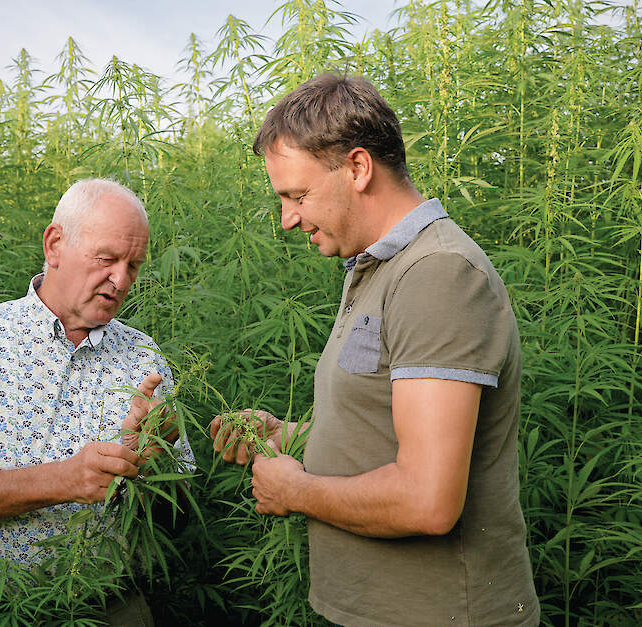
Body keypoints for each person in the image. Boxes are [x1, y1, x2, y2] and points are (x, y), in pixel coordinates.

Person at [210, 73, 539, 626]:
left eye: (297, 194)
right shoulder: (378, 269)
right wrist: (286, 436)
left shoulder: (437, 275)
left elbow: (427, 499)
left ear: (358, 168)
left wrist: (296, 490)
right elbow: (384, 431)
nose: (288, 218)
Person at [0, 178, 191, 626]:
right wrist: (65, 480)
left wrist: (155, 460)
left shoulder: (144, 357)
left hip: (111, 612)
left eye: (134, 265)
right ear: (55, 244)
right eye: (107, 259)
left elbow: (175, 517)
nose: (121, 280)